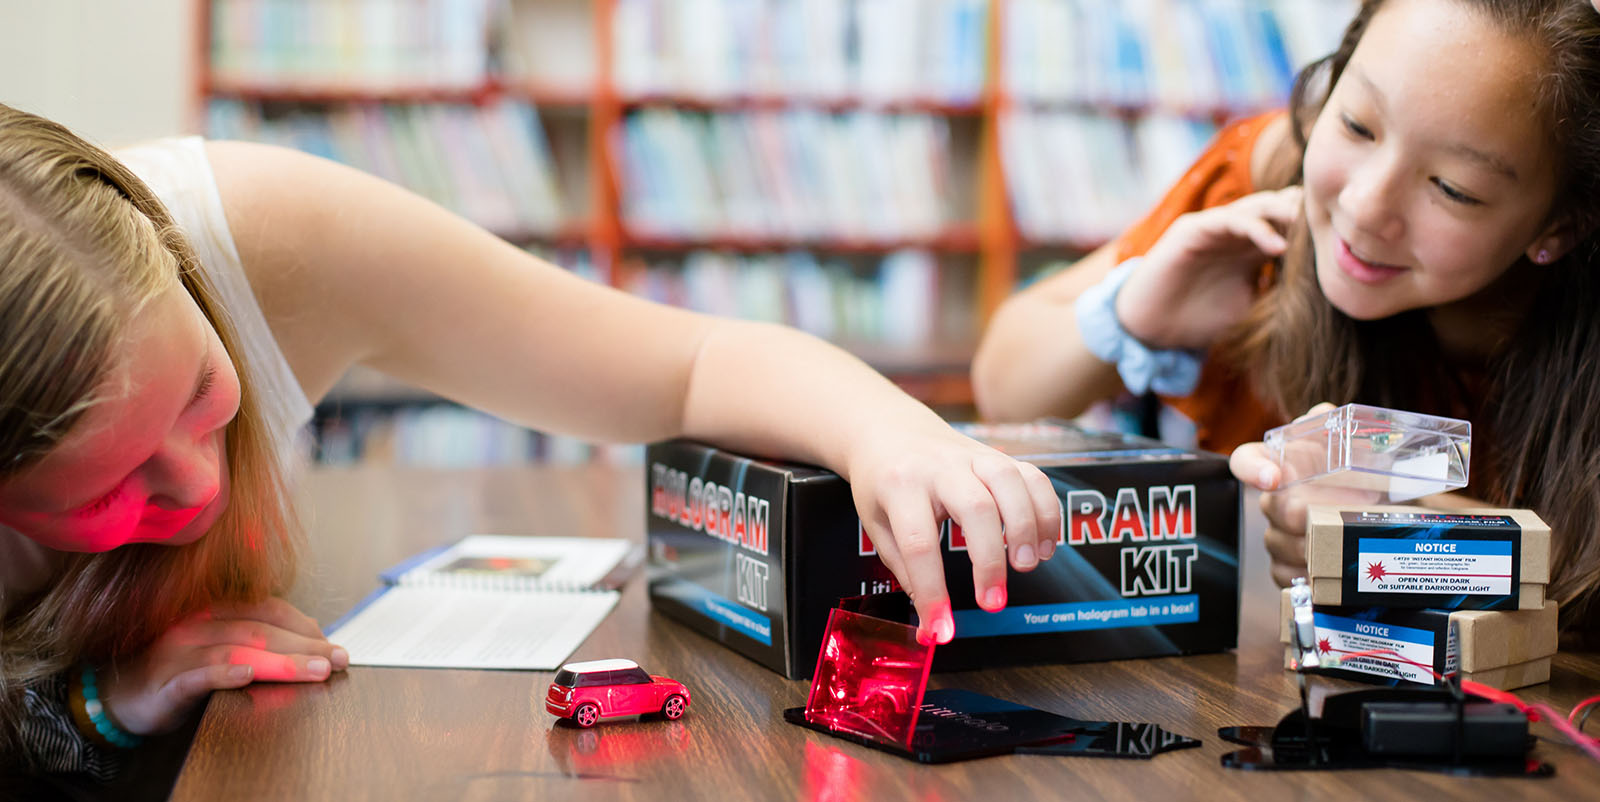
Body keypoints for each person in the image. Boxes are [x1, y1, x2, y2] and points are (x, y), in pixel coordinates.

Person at [0, 103, 1062, 777]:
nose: (197, 483)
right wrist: (87, 710)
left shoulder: (259, 228)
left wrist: (888, 432)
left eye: (201, 392)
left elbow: (686, 364)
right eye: (103, 490)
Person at [973, 0, 1600, 636]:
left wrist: (1417, 547)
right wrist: (1132, 314)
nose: (1364, 206)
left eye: (1452, 188)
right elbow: (1004, 389)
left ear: (1561, 226)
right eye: (1356, 125)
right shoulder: (1265, 183)